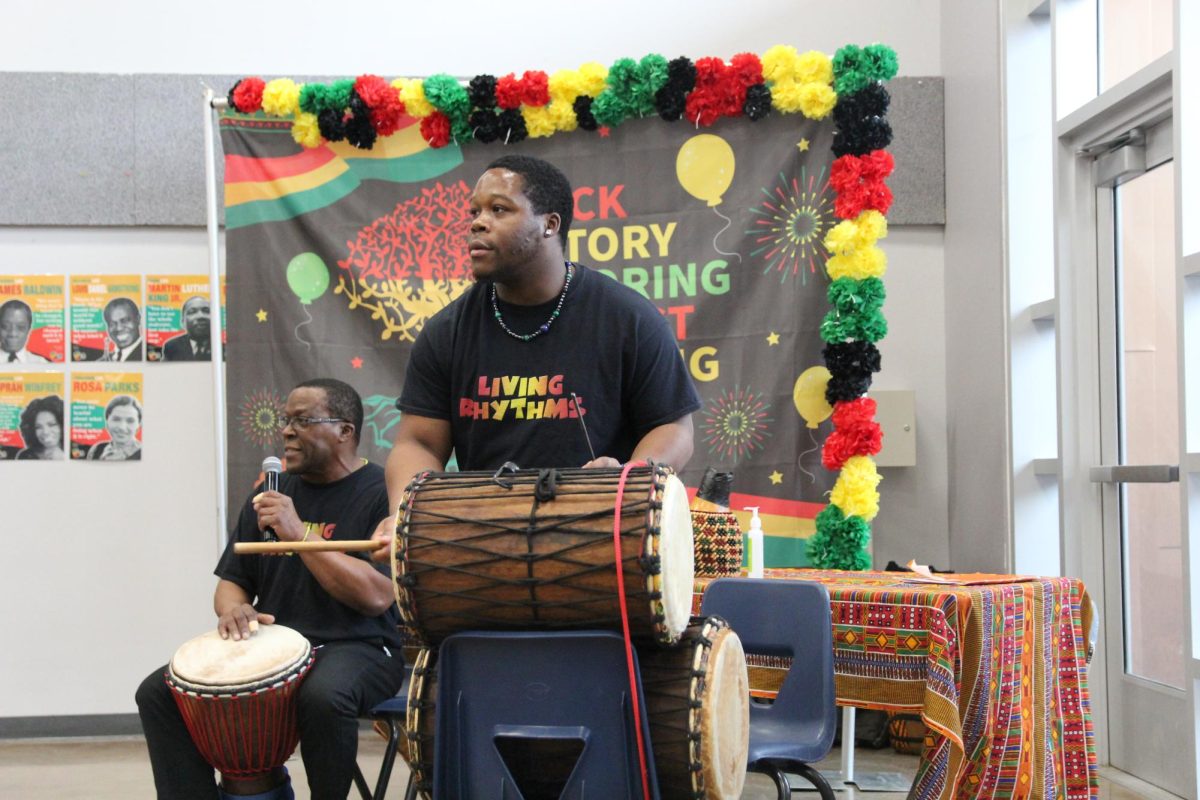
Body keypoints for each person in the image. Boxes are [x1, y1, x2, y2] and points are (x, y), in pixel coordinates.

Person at [373, 154, 700, 546]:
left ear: (550, 224)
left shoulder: (628, 318)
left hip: (600, 540)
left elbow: (673, 428)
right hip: (485, 546)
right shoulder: (448, 330)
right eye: (475, 211)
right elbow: (419, 442)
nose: (477, 222)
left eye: (499, 209)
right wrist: (404, 515)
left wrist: (628, 479)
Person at [135, 378, 405, 800]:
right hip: (275, 643)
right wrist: (234, 610)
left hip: (360, 646)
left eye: (303, 420)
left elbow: (376, 597)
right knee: (158, 692)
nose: (287, 431)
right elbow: (232, 583)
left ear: (345, 431)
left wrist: (298, 534)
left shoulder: (381, 495)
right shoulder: (268, 497)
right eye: (285, 421)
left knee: (323, 696)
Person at [85, 394, 142, 461]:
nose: (122, 427)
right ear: (107, 423)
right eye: (116, 419)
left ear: (138, 425)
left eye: (130, 421)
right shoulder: (96, 450)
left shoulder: (143, 453)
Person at [163, 295, 212, 361]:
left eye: (206, 311)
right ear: (182, 322)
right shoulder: (172, 346)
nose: (200, 316)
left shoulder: (224, 346)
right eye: (192, 312)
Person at [15, 395, 64, 460]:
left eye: (52, 425)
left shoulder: (74, 452)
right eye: (38, 427)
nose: (45, 432)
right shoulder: (25, 455)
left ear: (62, 425)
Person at [0, 299, 49, 363]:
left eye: (20, 327)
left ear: (29, 329)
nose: (13, 334)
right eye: (5, 326)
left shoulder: (41, 363)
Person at [99, 297, 143, 362]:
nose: (118, 328)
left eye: (124, 321)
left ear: (138, 319)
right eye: (112, 324)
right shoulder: (105, 360)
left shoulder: (147, 354)